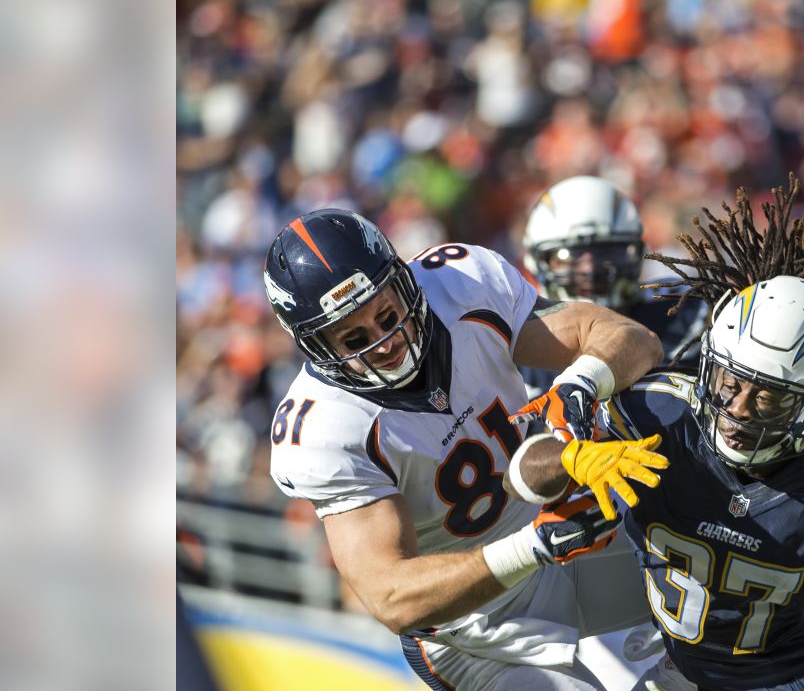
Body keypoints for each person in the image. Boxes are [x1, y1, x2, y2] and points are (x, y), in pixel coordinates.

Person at [509, 174, 804, 690]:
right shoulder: (643, 406)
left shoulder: (677, 324)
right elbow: (516, 476)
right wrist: (566, 458)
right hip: (626, 575)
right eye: (730, 384)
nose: (739, 410)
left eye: (770, 396)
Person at [262, 208, 672, 690]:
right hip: (476, 625)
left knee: (714, 592)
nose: (385, 341)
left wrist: (580, 384)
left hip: (563, 532)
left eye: (386, 314)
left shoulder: (458, 284)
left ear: (402, 281)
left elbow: (630, 339)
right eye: (354, 337)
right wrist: (533, 547)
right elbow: (390, 595)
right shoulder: (325, 427)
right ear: (315, 347)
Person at [520, 175, 706, 397]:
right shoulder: (518, 340)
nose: (590, 270)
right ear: (537, 262)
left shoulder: (680, 310)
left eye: (607, 252)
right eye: (569, 256)